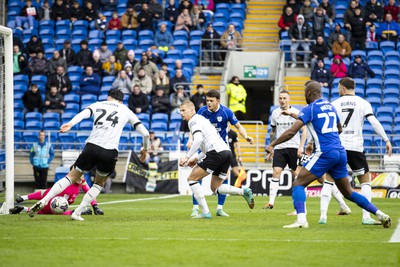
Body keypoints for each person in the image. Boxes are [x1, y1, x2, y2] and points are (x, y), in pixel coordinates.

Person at [265, 81, 392, 229]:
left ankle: (301, 220)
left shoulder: (310, 109)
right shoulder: (330, 107)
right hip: (340, 151)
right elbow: (339, 128)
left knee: (298, 184)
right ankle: (379, 214)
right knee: (348, 192)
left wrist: (272, 144)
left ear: (308, 94)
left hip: (325, 152)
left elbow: (292, 131)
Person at [29, 89, 150, 220]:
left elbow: (83, 114)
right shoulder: (125, 110)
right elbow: (146, 134)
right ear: (121, 101)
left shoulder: (98, 104)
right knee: (99, 183)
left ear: (108, 97)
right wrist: (145, 149)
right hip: (109, 151)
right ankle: (77, 212)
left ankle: (44, 200)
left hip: (91, 146)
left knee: (71, 176)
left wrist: (70, 124)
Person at [320, 77, 393, 225]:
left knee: (328, 180)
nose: (338, 90)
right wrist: (386, 139)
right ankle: (366, 217)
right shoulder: (363, 103)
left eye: (339, 88)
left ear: (344, 88)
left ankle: (323, 217)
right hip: (356, 148)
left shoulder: (334, 104)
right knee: (365, 181)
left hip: (338, 147)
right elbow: (373, 122)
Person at [179, 100, 254, 219]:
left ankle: (204, 212)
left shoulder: (193, 121)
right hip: (226, 152)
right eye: (180, 111)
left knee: (192, 179)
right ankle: (243, 192)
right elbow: (205, 146)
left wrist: (187, 156)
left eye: (183, 110)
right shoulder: (203, 120)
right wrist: (196, 158)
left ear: (192, 110)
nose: (181, 113)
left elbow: (197, 140)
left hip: (216, 153)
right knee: (215, 187)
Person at [264, 91, 307, 209]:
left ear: (289, 99)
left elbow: (304, 130)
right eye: (280, 98)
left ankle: (300, 205)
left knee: (296, 175)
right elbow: (273, 131)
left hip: (294, 147)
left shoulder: (296, 113)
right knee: (276, 172)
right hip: (280, 148)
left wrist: (301, 146)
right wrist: (271, 147)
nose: (282, 100)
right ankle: (271, 202)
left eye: (284, 98)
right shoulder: (275, 113)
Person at [10, 176, 104, 216]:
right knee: (52, 209)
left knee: (45, 194)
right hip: (52, 204)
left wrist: (95, 206)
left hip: (50, 199)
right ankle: (24, 207)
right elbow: (59, 209)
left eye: (82, 175)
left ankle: (23, 203)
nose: (81, 178)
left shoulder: (81, 181)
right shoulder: (67, 188)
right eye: (78, 176)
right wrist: (74, 211)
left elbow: (89, 192)